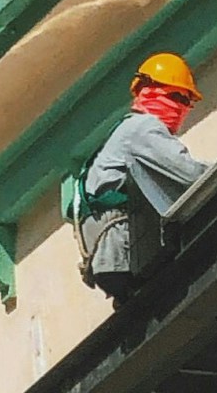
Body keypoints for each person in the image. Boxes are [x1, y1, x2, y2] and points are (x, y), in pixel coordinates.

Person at [77, 51, 206, 298]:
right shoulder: (144, 128)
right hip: (124, 249)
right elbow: (190, 175)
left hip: (107, 257)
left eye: (186, 102)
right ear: (149, 90)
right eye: (176, 97)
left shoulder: (124, 132)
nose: (181, 108)